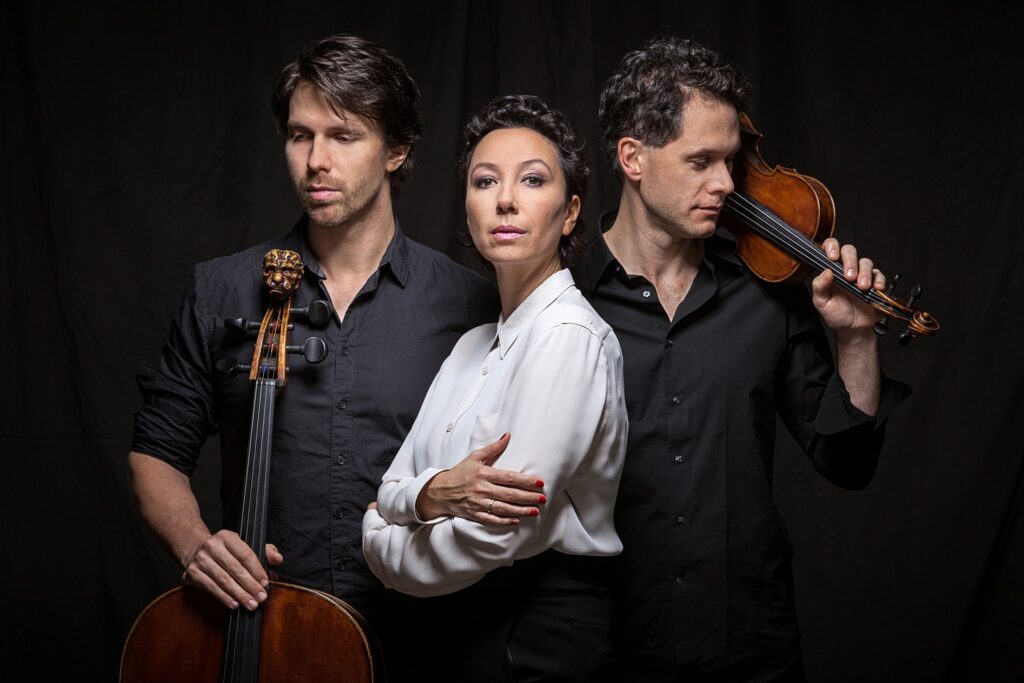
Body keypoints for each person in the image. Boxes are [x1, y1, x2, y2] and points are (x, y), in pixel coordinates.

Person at [467, 39, 910, 681]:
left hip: (751, 649)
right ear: (633, 158)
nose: (727, 185)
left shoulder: (766, 296)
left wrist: (856, 337)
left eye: (729, 160)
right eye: (701, 161)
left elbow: (847, 461)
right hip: (606, 655)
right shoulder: (558, 304)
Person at [127, 33, 497, 666]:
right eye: (301, 136)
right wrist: (194, 545)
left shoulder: (469, 305)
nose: (316, 160)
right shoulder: (219, 290)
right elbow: (156, 451)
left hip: (426, 640)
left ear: (397, 150)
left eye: (344, 136)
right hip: (264, 630)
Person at [361, 94, 628, 682]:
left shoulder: (569, 335)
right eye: (485, 181)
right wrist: (431, 495)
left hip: (536, 630)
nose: (505, 199)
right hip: (459, 626)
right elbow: (389, 490)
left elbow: (495, 533)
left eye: (532, 180)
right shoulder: (471, 345)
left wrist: (384, 547)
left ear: (571, 210)